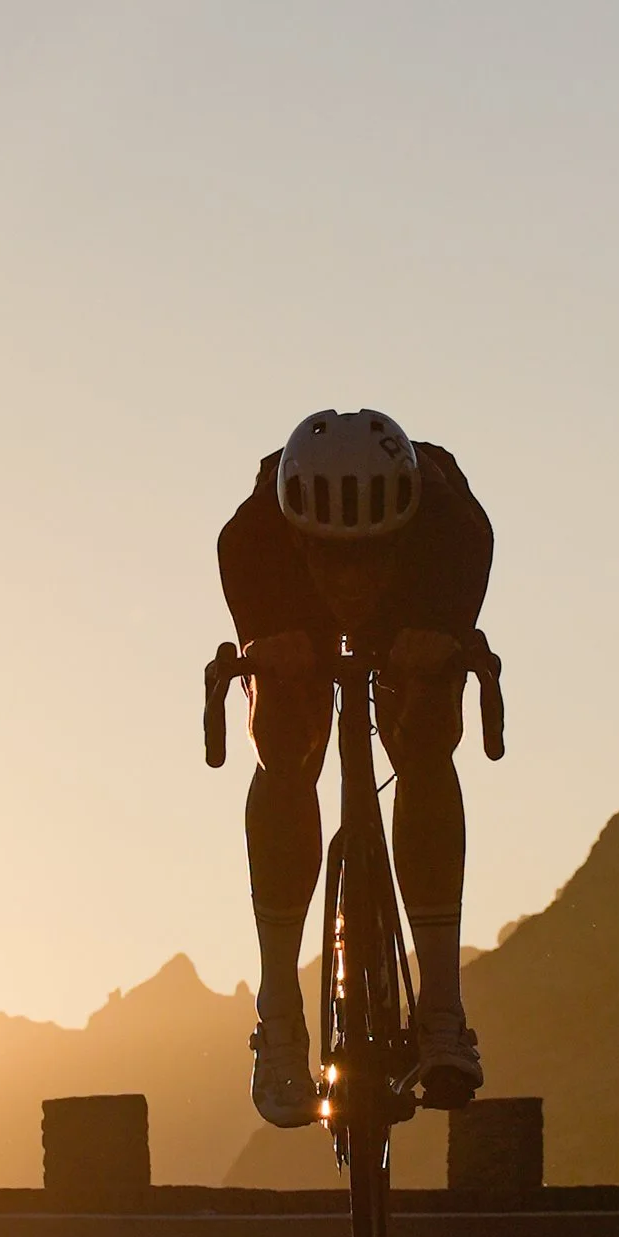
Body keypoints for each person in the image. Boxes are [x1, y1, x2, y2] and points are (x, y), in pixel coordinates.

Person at [216, 409, 493, 1126]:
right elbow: (259, 643)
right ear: (296, 538)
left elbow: (452, 624)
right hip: (291, 608)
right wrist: (269, 652)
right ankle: (279, 1011)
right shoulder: (251, 542)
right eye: (331, 558)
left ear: (402, 536)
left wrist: (442, 642)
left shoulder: (454, 534)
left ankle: (442, 1009)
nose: (351, 579)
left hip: (418, 600)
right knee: (284, 743)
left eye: (371, 557)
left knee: (426, 737)